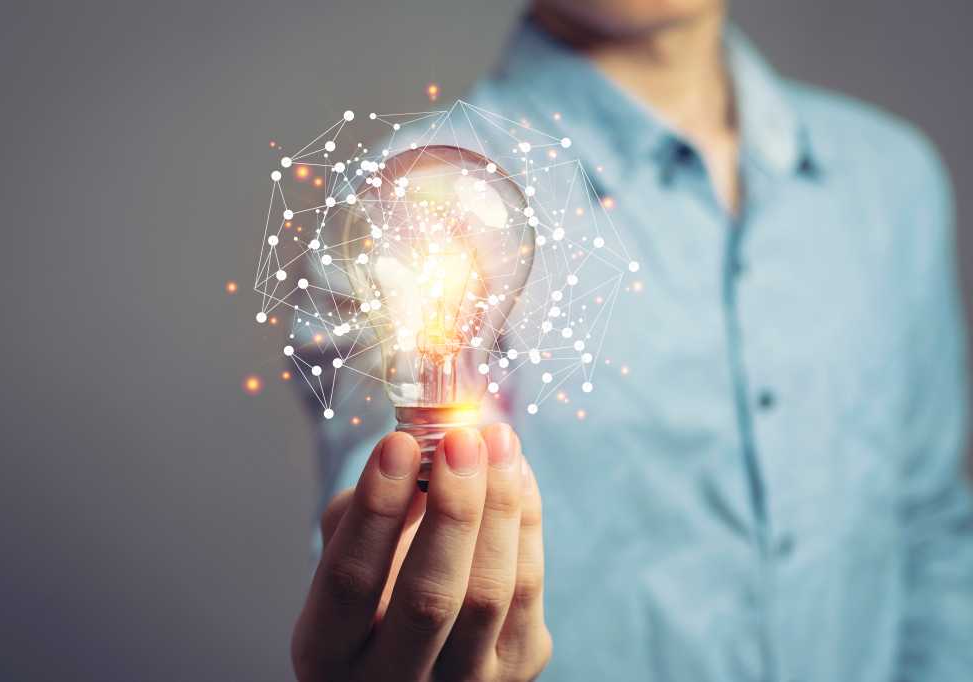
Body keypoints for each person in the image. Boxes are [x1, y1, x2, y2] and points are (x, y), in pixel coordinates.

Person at [291, 1, 973, 679]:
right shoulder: (419, 195)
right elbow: (394, 537)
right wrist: (404, 605)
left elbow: (933, 530)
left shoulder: (890, 181)